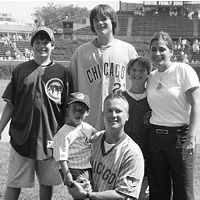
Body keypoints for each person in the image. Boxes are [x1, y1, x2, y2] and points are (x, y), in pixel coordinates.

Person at [0, 26, 73, 200]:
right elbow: (10, 104)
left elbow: (67, 108)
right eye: (38, 42)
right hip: (21, 137)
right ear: (31, 45)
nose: (42, 46)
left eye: (46, 42)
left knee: (46, 183)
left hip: (50, 137)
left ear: (53, 45)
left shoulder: (62, 73)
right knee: (14, 182)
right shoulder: (20, 70)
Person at [146, 31, 200, 200]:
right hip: (155, 138)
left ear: (171, 51)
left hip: (179, 137)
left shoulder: (183, 70)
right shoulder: (152, 77)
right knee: (158, 189)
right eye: (153, 50)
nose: (157, 53)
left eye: (162, 49)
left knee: (183, 190)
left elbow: (196, 104)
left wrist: (191, 137)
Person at [69, 4, 138, 131]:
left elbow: (136, 87)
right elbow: (72, 90)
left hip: (119, 121)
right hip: (89, 123)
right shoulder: (80, 53)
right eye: (96, 20)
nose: (100, 23)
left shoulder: (128, 51)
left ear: (112, 21)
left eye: (104, 19)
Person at [68, 91, 145, 200]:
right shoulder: (92, 140)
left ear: (127, 116)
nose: (113, 115)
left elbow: (123, 195)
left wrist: (87, 195)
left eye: (118, 111)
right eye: (109, 110)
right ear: (103, 114)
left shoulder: (132, 153)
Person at [53, 92, 96, 193]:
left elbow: (97, 136)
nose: (78, 113)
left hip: (86, 166)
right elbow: (60, 156)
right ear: (67, 110)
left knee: (89, 192)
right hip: (72, 168)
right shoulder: (64, 133)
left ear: (87, 112)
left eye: (81, 110)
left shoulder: (87, 127)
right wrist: (67, 173)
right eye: (74, 109)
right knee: (83, 194)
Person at [123, 56, 152, 199]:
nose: (137, 73)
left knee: (143, 194)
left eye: (142, 70)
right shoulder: (121, 98)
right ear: (128, 72)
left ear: (148, 73)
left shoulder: (153, 98)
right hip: (124, 157)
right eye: (134, 70)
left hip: (146, 157)